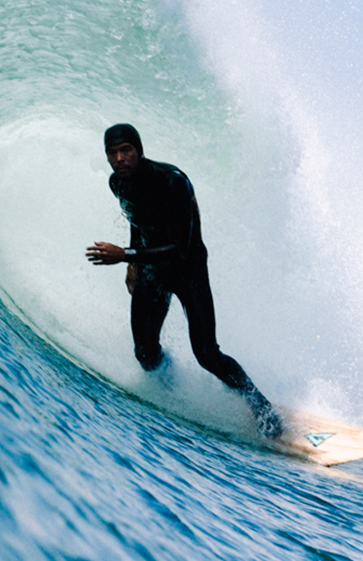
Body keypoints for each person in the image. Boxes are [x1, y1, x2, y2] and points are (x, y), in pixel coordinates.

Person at [85, 123, 282, 439]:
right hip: (152, 270)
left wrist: (125, 255)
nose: (119, 158)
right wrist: (132, 265)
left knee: (207, 354)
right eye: (112, 153)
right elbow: (136, 218)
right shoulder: (117, 183)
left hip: (187, 271)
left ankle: (262, 409)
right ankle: (171, 387)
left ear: (139, 150)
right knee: (145, 354)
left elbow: (180, 246)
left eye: (126, 151)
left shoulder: (173, 182)